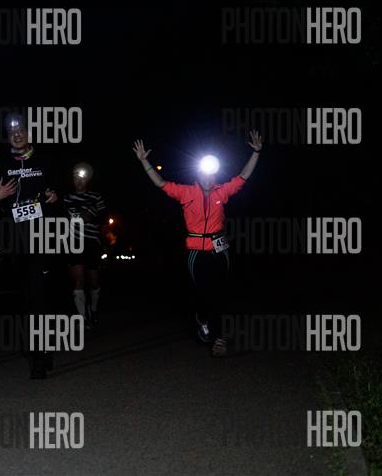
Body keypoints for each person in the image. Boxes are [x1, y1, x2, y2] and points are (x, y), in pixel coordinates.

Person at [132, 130, 262, 356]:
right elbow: (161, 183)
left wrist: (256, 152)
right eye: (204, 174)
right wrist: (144, 161)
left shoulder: (222, 191)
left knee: (219, 293)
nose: (208, 178)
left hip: (219, 249)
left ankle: (219, 339)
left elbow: (243, 176)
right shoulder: (186, 192)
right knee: (203, 293)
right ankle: (202, 318)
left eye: (212, 174)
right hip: (196, 251)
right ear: (198, 175)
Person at [0, 113, 58, 379]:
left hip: (43, 238)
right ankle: (35, 347)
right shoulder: (0, 165)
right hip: (15, 243)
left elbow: (59, 193)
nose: (17, 135)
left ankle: (39, 356)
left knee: (41, 296)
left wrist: (55, 196)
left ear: (30, 134)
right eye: (11, 132)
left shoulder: (45, 161)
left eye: (21, 130)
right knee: (25, 299)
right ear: (8, 137)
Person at [63, 162, 106, 329]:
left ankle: (93, 310)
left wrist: (91, 216)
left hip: (92, 242)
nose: (79, 181)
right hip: (73, 243)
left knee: (94, 282)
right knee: (78, 281)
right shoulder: (66, 198)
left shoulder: (96, 197)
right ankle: (83, 319)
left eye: (82, 178)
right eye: (76, 178)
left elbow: (103, 216)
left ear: (88, 179)